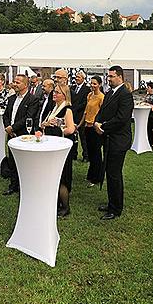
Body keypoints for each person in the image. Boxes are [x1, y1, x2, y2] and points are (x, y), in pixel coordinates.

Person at [94, 66, 134, 220]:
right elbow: (102, 111)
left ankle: (116, 209)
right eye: (108, 76)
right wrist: (97, 122)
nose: (108, 79)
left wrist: (102, 127)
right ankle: (112, 202)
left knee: (114, 174)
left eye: (111, 76)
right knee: (109, 173)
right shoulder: (110, 92)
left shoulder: (125, 95)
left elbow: (122, 118)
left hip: (118, 141)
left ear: (120, 77)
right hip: (109, 139)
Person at [1, 74, 41, 195]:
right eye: (14, 82)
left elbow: (28, 118)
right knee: (12, 160)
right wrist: (8, 128)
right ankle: (13, 185)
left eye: (18, 82)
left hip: (23, 134)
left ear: (25, 84)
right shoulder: (11, 98)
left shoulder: (32, 99)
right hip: (11, 134)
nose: (14, 84)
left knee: (24, 162)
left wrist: (13, 128)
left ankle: (25, 185)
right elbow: (6, 115)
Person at [42, 85, 77, 217]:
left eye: (57, 92)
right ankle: (56, 203)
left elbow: (71, 129)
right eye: (54, 91)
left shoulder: (67, 110)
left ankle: (65, 206)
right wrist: (45, 125)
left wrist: (57, 131)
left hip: (62, 146)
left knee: (62, 176)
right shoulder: (54, 108)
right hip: (53, 145)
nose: (54, 94)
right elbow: (45, 123)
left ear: (64, 95)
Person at [80, 76, 105, 186]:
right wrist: (80, 124)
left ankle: (97, 177)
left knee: (96, 153)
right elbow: (85, 112)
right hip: (87, 126)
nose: (92, 85)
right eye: (91, 83)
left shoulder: (101, 97)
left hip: (95, 128)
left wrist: (97, 124)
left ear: (99, 84)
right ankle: (91, 174)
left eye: (95, 84)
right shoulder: (89, 95)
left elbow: (102, 114)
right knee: (90, 152)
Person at [70, 71, 89, 161]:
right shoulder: (72, 88)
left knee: (83, 137)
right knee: (73, 136)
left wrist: (76, 108)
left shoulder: (87, 89)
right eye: (76, 77)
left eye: (79, 77)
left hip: (81, 116)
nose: (76, 79)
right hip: (72, 116)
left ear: (83, 79)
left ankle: (86, 155)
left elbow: (86, 102)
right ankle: (73, 154)